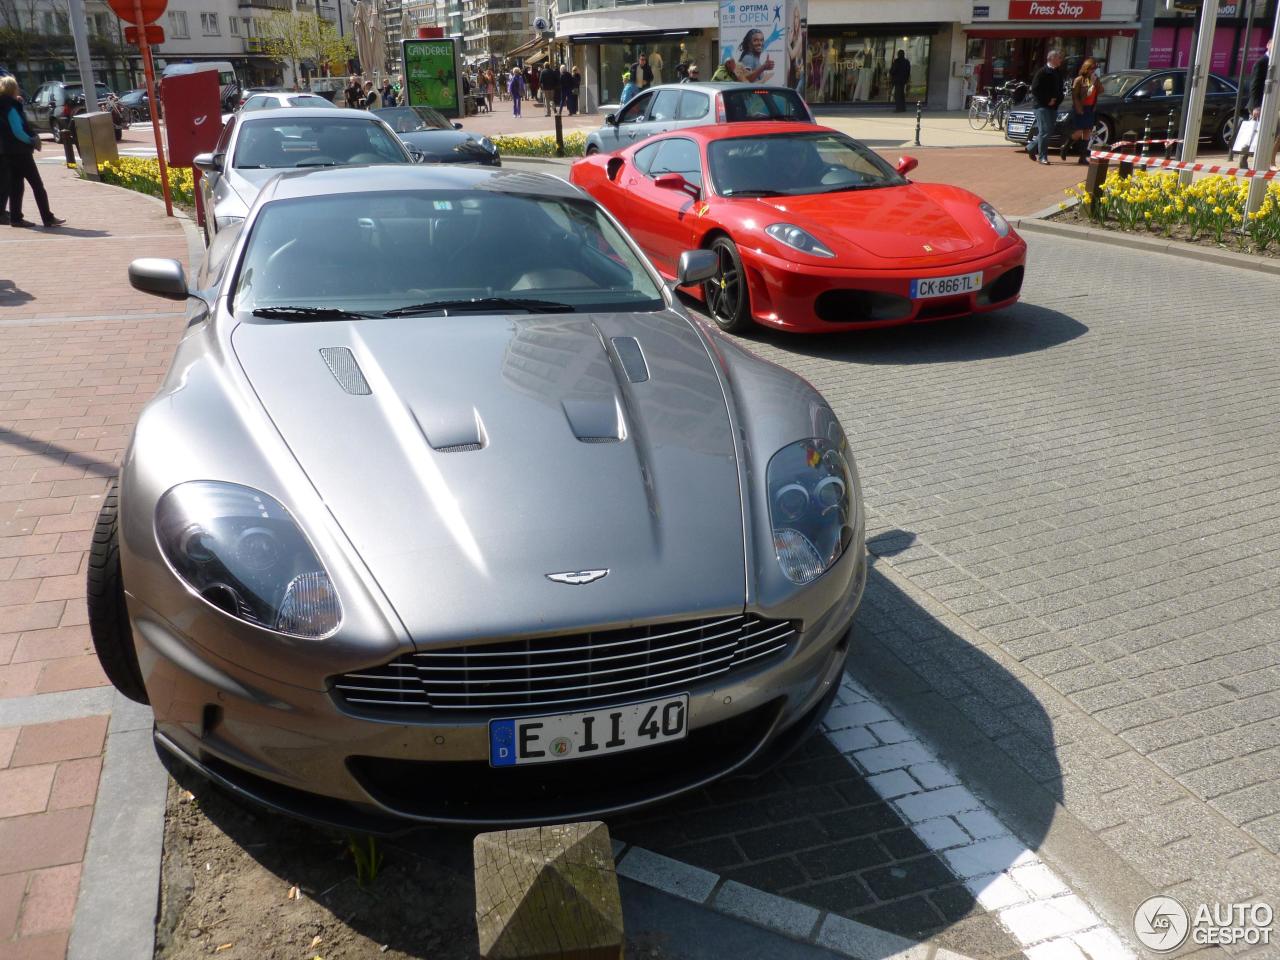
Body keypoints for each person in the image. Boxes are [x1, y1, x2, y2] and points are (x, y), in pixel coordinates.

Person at [0, 76, 63, 228]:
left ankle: (16, 218)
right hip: (20, 151)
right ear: (13, 88)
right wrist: (31, 140)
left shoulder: (2, 105)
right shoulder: (11, 106)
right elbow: (17, 130)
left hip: (7, 151)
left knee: (16, 185)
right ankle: (47, 217)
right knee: (37, 185)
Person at [1027, 49, 1064, 165]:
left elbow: (1060, 90)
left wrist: (1057, 100)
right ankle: (1042, 156)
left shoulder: (1058, 72)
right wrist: (1047, 100)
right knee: (1044, 131)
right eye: (1058, 58)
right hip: (1041, 106)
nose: (1060, 60)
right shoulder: (1042, 72)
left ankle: (1031, 147)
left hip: (1054, 107)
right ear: (1052, 58)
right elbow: (1035, 89)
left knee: (1049, 130)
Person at [1061, 58, 1098, 164]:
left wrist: (1095, 82)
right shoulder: (1079, 80)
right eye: (1091, 69)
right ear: (1086, 69)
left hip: (1090, 108)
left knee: (1087, 131)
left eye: (1094, 69)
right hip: (1081, 108)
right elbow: (1077, 96)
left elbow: (1100, 91)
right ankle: (1065, 147)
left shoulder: (1094, 79)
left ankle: (1082, 157)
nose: (1093, 71)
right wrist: (1091, 85)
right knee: (1078, 132)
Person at [1250, 38, 1278, 170]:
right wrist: (1256, 106)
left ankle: (1268, 161)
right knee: (1253, 133)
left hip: (1273, 105)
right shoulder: (1262, 62)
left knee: (1273, 133)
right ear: (1268, 45)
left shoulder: (1276, 63)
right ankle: (1243, 158)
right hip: (1261, 104)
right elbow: (1255, 85)